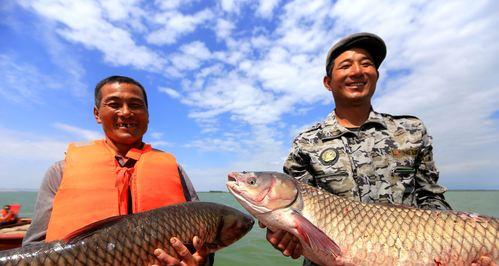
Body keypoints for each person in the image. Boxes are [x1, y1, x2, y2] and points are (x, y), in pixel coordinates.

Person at [262, 32, 452, 264]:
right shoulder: (306, 143)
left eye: (366, 64)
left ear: (376, 75)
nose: (357, 72)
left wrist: (453, 246)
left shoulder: (411, 130)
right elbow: (296, 212)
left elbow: (431, 198)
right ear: (328, 82)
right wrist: (284, 235)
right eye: (345, 66)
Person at [23, 75, 211, 265]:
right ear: (97, 114)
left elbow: (205, 245)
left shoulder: (174, 170)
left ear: (148, 115)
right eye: (114, 104)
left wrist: (199, 261)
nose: (126, 112)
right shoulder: (60, 171)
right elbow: (31, 248)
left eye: (136, 105)